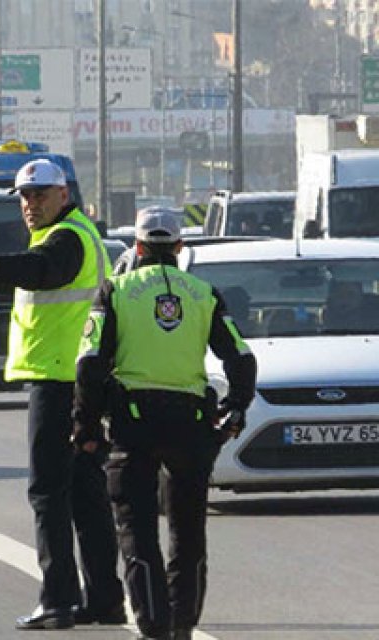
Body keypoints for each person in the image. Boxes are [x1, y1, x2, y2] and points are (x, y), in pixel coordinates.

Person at [0, 159, 124, 630]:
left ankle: (59, 599)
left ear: (63, 195)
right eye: (24, 196)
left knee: (48, 492)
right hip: (80, 380)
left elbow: (44, 270)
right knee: (85, 494)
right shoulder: (72, 234)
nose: (29, 204)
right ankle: (105, 599)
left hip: (60, 380)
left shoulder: (67, 239)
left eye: (39, 194)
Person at [72, 209, 257, 640]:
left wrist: (86, 428)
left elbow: (90, 364)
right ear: (179, 247)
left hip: (133, 424)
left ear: (136, 248)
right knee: (188, 530)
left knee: (136, 527)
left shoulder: (115, 290)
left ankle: (153, 625)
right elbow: (241, 358)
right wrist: (236, 407)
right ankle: (183, 624)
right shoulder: (203, 293)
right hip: (190, 422)